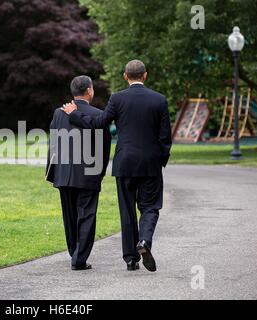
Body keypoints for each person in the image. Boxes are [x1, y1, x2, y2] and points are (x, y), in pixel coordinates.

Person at [61, 60, 172, 272]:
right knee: (150, 207)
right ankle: (145, 241)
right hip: (150, 164)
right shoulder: (159, 100)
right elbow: (165, 137)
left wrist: (74, 114)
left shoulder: (117, 98)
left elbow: (98, 123)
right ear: (145, 75)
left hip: (124, 163)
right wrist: (161, 160)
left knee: (127, 210)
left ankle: (131, 259)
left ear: (125, 76)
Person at [46, 75, 111, 271]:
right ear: (89, 90)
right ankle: (79, 258)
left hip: (64, 174)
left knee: (69, 216)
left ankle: (74, 252)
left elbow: (53, 144)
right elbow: (104, 147)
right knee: (86, 215)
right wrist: (100, 172)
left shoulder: (59, 113)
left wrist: (52, 172)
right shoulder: (98, 114)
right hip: (88, 173)